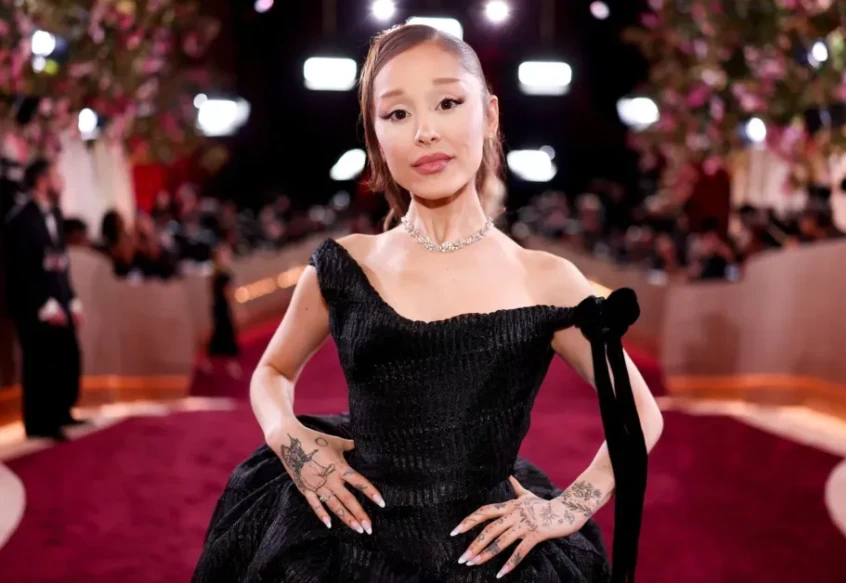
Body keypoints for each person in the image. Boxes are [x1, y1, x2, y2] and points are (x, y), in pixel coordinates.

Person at [193, 24, 663, 583]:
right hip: (340, 549)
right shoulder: (344, 265)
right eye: (397, 114)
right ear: (376, 135)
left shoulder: (546, 279)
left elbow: (640, 413)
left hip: (489, 558)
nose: (425, 132)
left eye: (447, 103)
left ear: (490, 115)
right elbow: (272, 371)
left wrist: (568, 507)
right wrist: (286, 436)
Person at [3, 158, 85, 441]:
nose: (60, 182)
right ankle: (40, 422)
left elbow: (61, 262)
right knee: (40, 363)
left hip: (59, 298)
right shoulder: (20, 219)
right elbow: (21, 269)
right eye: (54, 176)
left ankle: (62, 412)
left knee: (66, 357)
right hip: (32, 305)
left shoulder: (56, 215)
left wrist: (72, 300)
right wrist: (45, 305)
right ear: (41, 181)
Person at [202, 242, 242, 379]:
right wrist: (237, 311)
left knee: (218, 334)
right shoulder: (224, 275)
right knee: (227, 334)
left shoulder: (213, 274)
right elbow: (230, 295)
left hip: (216, 308)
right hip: (224, 308)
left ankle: (209, 362)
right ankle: (231, 363)